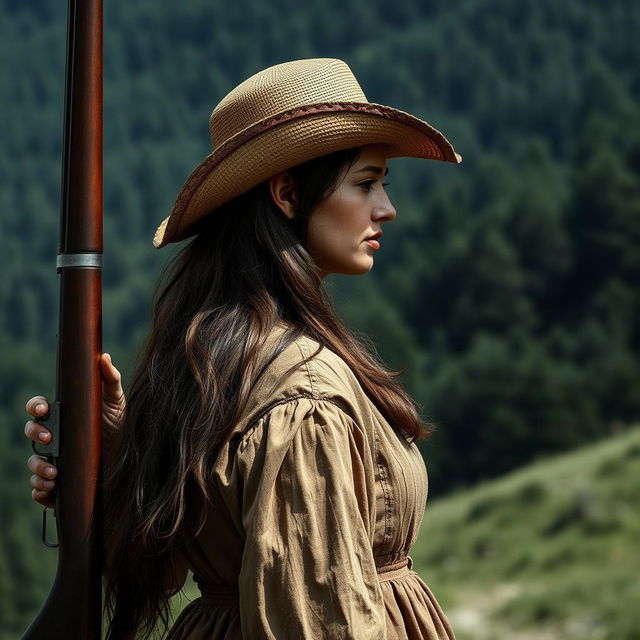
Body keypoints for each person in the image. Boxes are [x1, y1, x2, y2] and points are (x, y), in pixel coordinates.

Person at [24, 58, 461, 639]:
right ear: (286, 193)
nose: (386, 207)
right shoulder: (304, 396)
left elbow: (187, 540)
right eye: (365, 182)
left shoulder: (216, 354)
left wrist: (118, 459)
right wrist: (108, 470)